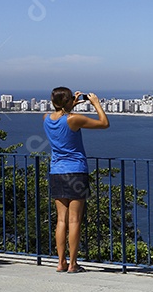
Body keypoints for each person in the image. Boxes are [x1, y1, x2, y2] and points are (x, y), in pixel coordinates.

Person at [44, 87, 109, 273]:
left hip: (56, 172)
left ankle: (60, 262)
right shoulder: (74, 119)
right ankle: (73, 264)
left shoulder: (46, 119)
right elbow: (104, 123)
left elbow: (61, 117)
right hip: (75, 172)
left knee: (61, 221)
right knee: (74, 221)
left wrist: (69, 105)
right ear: (68, 101)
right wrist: (96, 104)